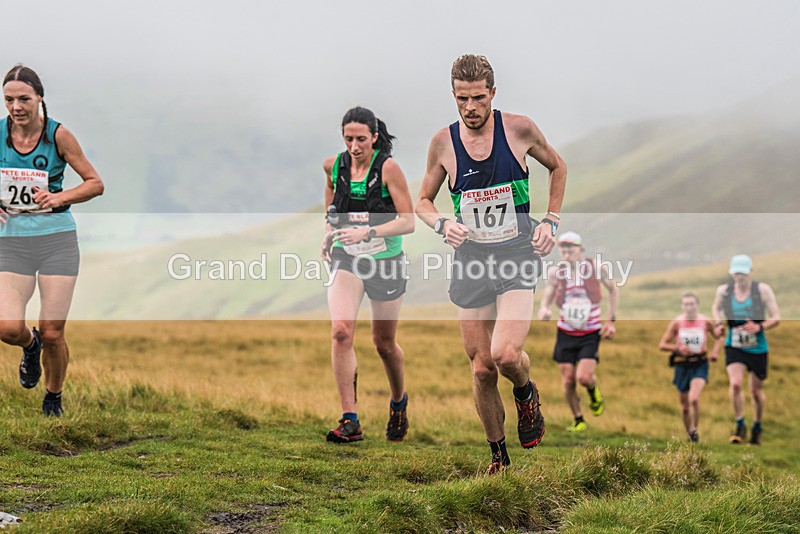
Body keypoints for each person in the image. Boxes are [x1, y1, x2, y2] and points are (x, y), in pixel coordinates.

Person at [416, 54, 566, 474]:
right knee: (481, 367)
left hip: (517, 253)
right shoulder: (442, 143)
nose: (470, 107)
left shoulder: (518, 129)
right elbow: (422, 202)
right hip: (472, 260)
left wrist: (551, 221)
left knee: (504, 354)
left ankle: (525, 390)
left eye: (478, 97)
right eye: (462, 98)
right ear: (453, 95)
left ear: (493, 94)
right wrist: (443, 224)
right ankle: (498, 457)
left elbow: (558, 167)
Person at [0, 65, 104, 416]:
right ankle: (31, 348)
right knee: (8, 327)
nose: (16, 107)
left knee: (54, 330)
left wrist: (59, 198)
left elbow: (94, 183)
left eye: (24, 99)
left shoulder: (59, 136)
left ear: (39, 98)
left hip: (56, 240)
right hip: (11, 242)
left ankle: (52, 398)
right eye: (9, 99)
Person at [321, 107, 415, 443]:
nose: (355, 145)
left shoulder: (389, 169)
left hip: (386, 260)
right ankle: (350, 419)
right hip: (348, 257)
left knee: (384, 343)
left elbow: (409, 221)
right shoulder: (334, 166)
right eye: (348, 139)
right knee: (341, 331)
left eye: (361, 139)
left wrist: (370, 233)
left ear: (374, 137)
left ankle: (399, 402)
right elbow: (332, 208)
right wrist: (329, 234)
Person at [537, 231, 617, 433]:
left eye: (570, 248)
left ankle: (593, 392)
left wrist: (611, 321)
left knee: (584, 377)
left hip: (590, 331)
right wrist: (544, 307)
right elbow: (548, 290)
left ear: (580, 249)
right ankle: (578, 419)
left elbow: (613, 289)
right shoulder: (556, 272)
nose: (566, 252)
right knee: (569, 380)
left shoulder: (596, 268)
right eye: (562, 248)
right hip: (565, 331)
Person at [712, 254, 780, 445]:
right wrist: (718, 323)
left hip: (757, 346)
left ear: (750, 272)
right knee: (735, 384)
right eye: (736, 273)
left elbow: (776, 317)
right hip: (734, 343)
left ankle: (757, 426)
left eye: (742, 273)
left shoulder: (762, 290)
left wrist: (760, 327)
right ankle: (740, 424)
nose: (739, 277)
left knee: (756, 392)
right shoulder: (724, 291)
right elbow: (716, 308)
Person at [658, 292, 721, 442]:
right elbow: (662, 344)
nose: (689, 307)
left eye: (692, 304)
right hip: (682, 364)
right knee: (685, 406)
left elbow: (719, 338)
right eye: (686, 304)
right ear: (682, 306)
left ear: (697, 305)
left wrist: (715, 352)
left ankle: (694, 431)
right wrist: (677, 348)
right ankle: (690, 434)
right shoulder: (676, 323)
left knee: (694, 399)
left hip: (700, 363)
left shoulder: (705, 321)